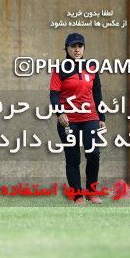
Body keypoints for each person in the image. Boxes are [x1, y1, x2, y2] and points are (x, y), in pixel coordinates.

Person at [49, 33, 106, 205]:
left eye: (80, 46)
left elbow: (97, 93)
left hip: (90, 118)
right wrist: (59, 114)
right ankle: (77, 195)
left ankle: (91, 192)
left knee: (94, 154)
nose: (76, 49)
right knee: (73, 158)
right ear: (66, 48)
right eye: (73, 46)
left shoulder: (92, 67)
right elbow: (54, 95)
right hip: (69, 120)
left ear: (84, 49)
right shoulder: (59, 69)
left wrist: (101, 117)